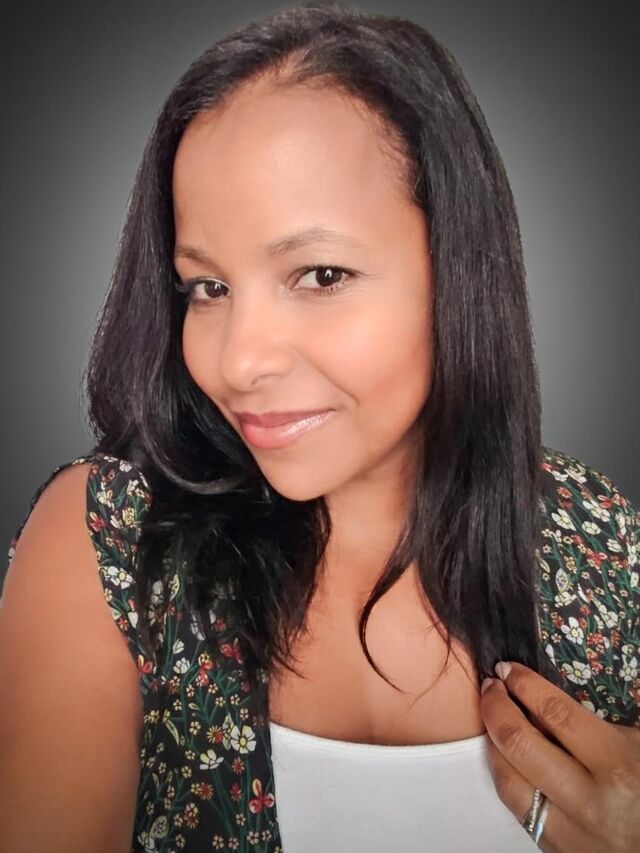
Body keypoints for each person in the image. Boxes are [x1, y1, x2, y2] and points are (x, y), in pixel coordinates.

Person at [1, 2, 639, 851]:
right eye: (208, 287)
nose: (240, 361)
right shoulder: (110, 543)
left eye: (320, 274)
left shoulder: (599, 543)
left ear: (457, 268)